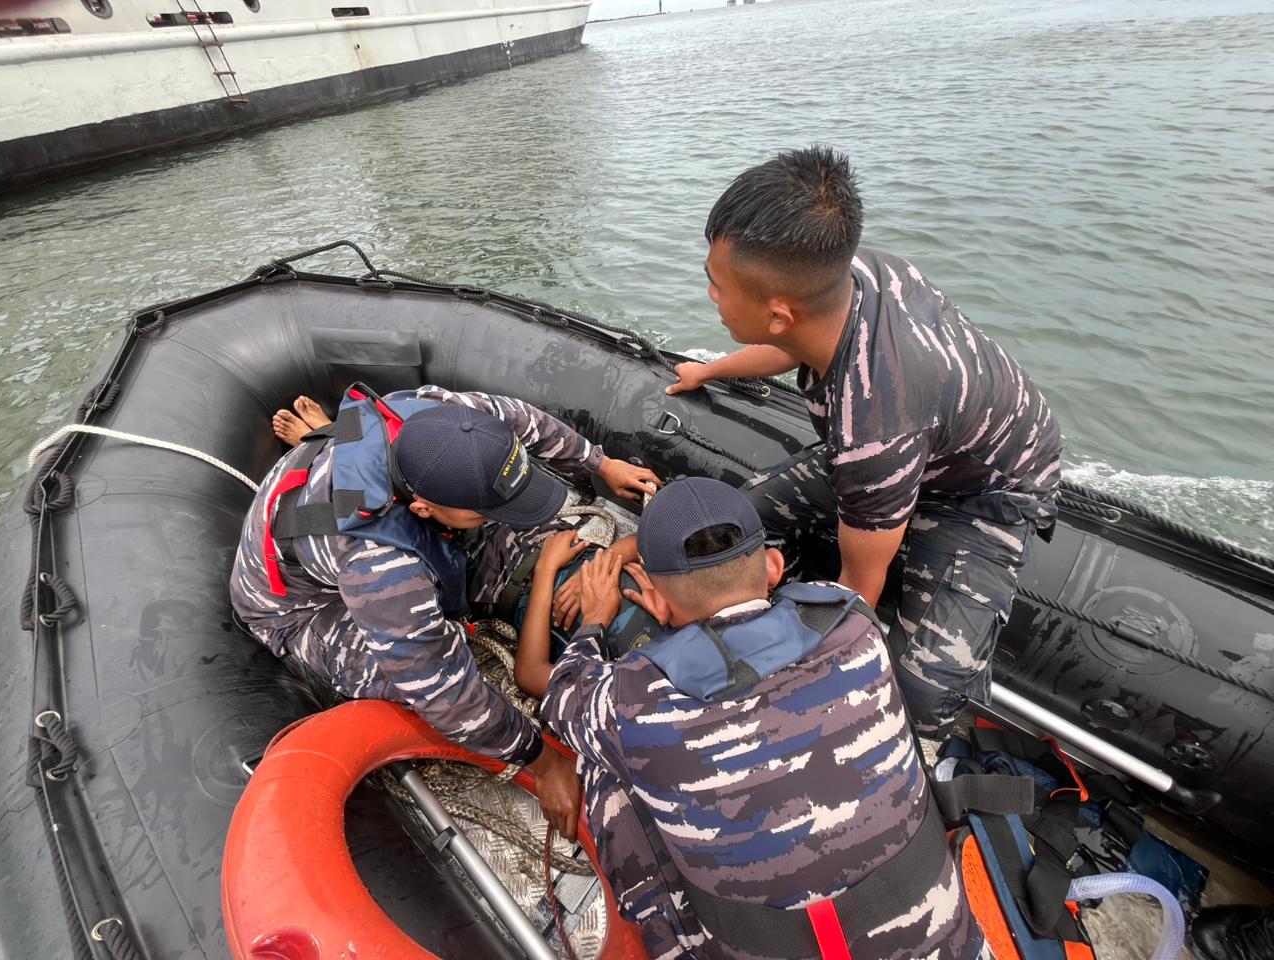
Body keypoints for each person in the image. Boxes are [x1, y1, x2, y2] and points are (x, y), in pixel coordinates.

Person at [666, 146, 1062, 737]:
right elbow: (795, 342)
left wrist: (798, 687)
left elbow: (858, 590)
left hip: (980, 491)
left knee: (925, 696)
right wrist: (711, 369)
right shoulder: (861, 273)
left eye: (718, 286)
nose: (712, 296)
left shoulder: (874, 428)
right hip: (916, 443)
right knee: (734, 516)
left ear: (778, 311)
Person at [542, 477, 977, 960]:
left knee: (603, 766)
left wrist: (594, 621)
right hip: (947, 942)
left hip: (763, 945)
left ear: (657, 601)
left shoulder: (631, 703)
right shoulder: (852, 621)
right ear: (773, 566)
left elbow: (561, 697)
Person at [231, 383, 659, 839]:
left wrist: (600, 463)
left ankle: (337, 452)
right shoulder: (379, 565)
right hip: (304, 608)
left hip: (386, 502)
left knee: (525, 540)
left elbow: (520, 418)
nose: (500, 516)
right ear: (423, 506)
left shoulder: (449, 418)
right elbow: (447, 698)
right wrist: (546, 761)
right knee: (404, 677)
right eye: (482, 513)